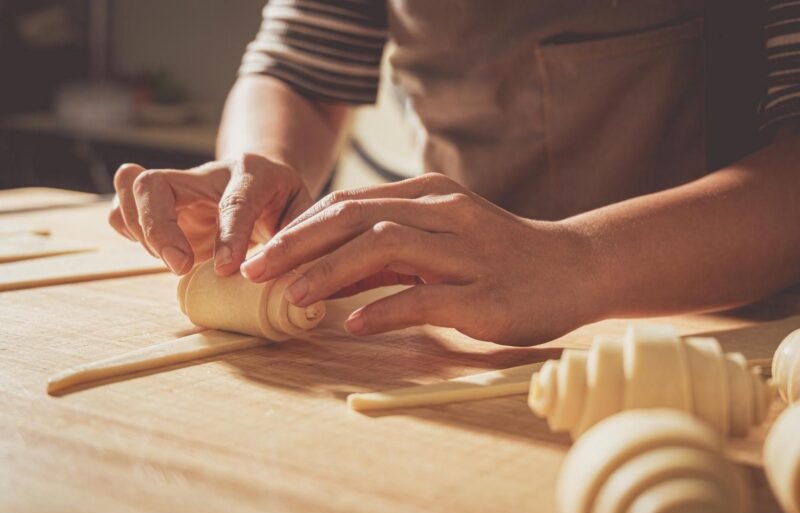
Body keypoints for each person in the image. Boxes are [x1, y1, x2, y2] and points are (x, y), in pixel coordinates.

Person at [108, 1, 800, 346]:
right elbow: (299, 68)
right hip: (458, 336)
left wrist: (581, 259)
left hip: (733, 337)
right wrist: (258, 164)